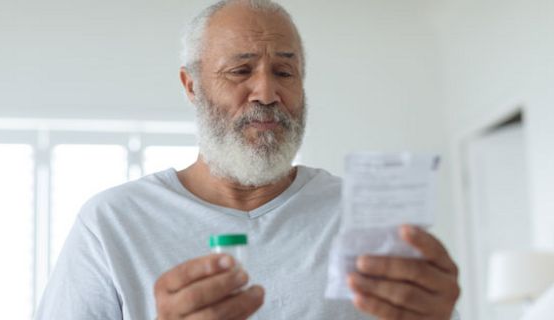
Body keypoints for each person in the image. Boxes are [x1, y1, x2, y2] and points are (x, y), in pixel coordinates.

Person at [35, 1, 460, 319]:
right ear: (191, 85)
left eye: (285, 72)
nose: (266, 94)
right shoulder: (112, 223)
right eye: (240, 71)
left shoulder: (364, 218)